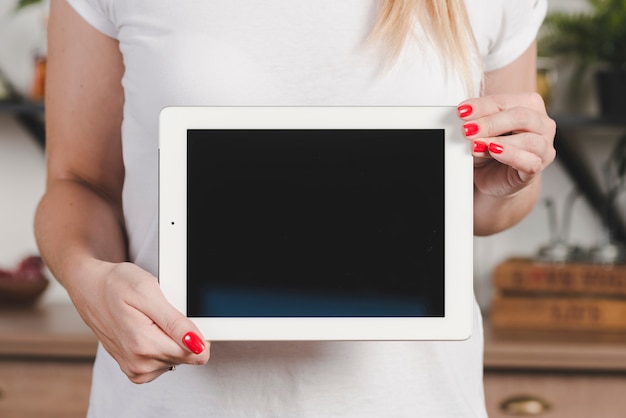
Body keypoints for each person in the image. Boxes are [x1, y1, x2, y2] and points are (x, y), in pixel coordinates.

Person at [34, 0, 556, 416]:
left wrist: (504, 179)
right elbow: (76, 181)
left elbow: (493, 203)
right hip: (174, 404)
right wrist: (90, 281)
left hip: (414, 401)